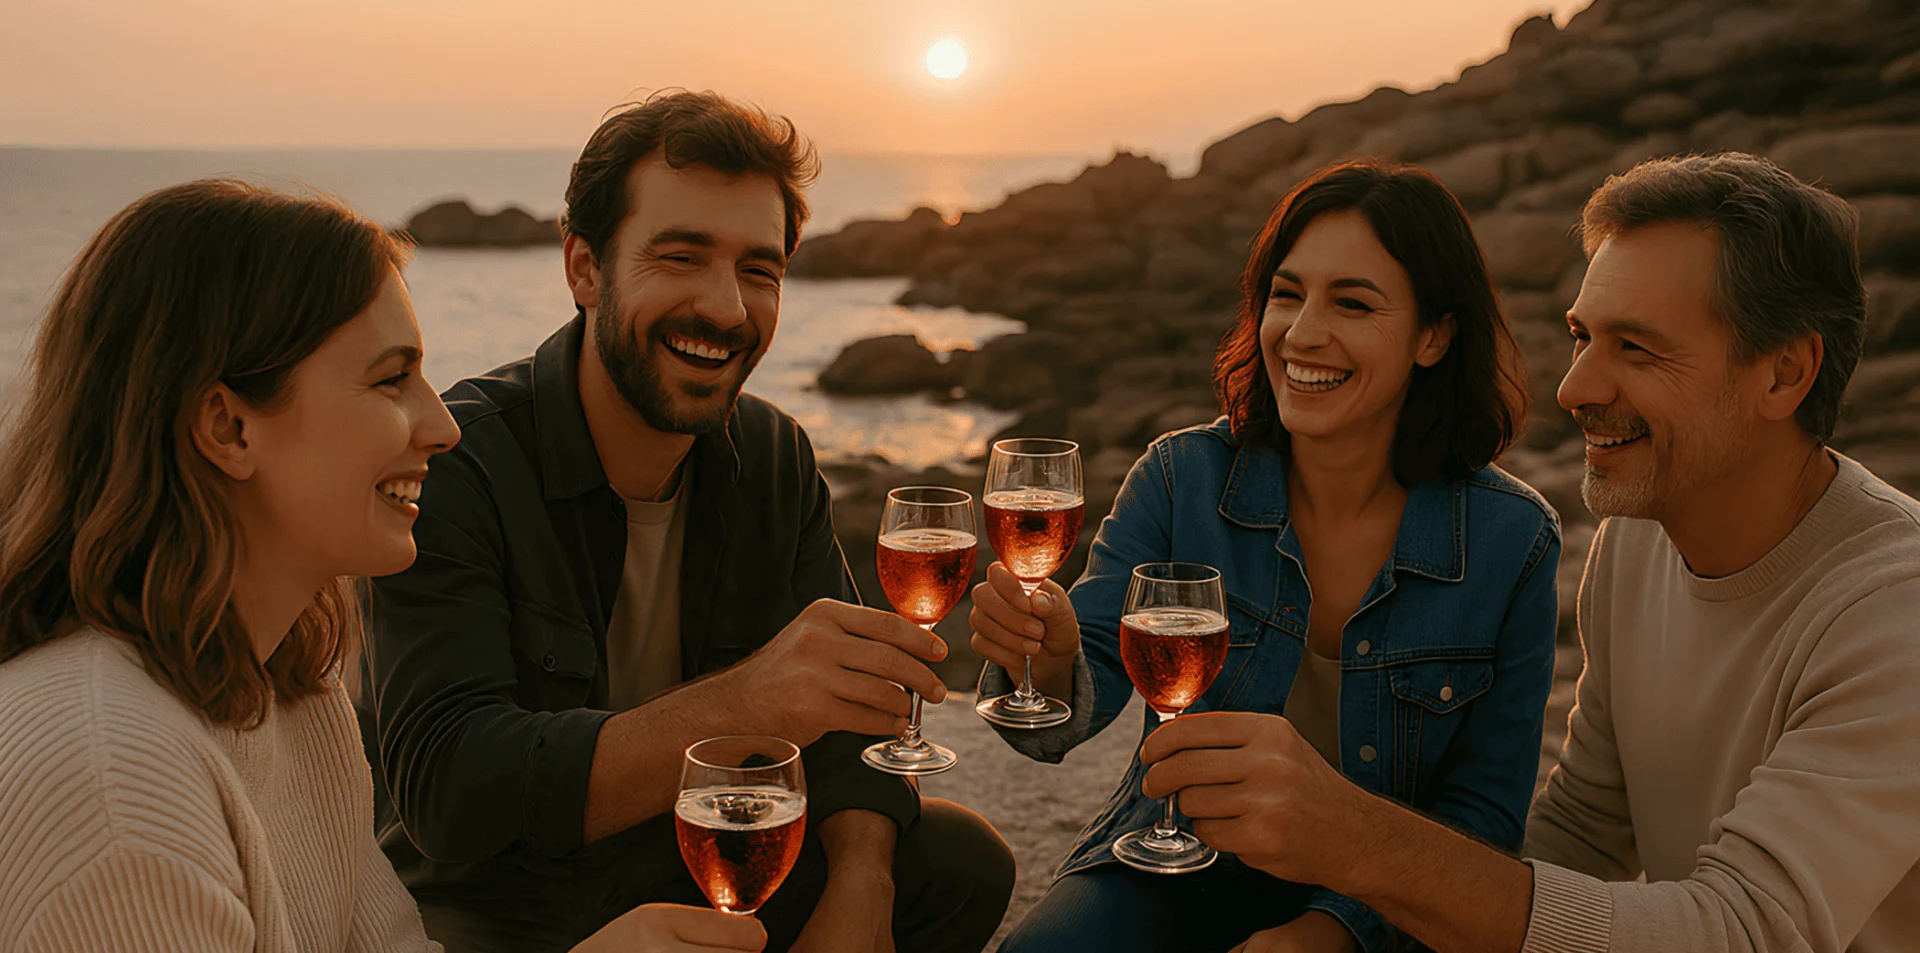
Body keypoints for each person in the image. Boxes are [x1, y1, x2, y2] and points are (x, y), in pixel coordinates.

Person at [1139, 152, 1920, 953]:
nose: (1575, 388)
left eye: (1638, 349)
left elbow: (1741, 930)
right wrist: (1350, 932)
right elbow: (1582, 827)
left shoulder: (1895, 613)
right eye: (1583, 337)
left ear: (1785, 373)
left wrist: (1361, 841)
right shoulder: (1641, 538)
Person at [0, 179, 766, 952]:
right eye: (391, 378)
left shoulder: (291, 697)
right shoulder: (110, 783)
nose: (442, 426)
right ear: (229, 428)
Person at [359, 89, 1014, 953]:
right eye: (682, 257)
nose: (727, 309)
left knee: (957, 860)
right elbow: (451, 792)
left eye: (759, 270)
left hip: (698, 849)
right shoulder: (463, 463)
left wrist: (861, 891)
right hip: (504, 899)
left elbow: (856, 718)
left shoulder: (772, 456)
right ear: (584, 270)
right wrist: (747, 704)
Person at [968, 160, 1561, 953]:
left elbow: (1484, 818)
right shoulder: (1182, 478)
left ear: (1434, 336)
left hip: (1386, 899)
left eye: (1352, 302)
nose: (1303, 333)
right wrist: (1048, 653)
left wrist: (1333, 932)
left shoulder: (1513, 542)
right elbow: (1066, 716)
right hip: (1172, 856)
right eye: (1287, 294)